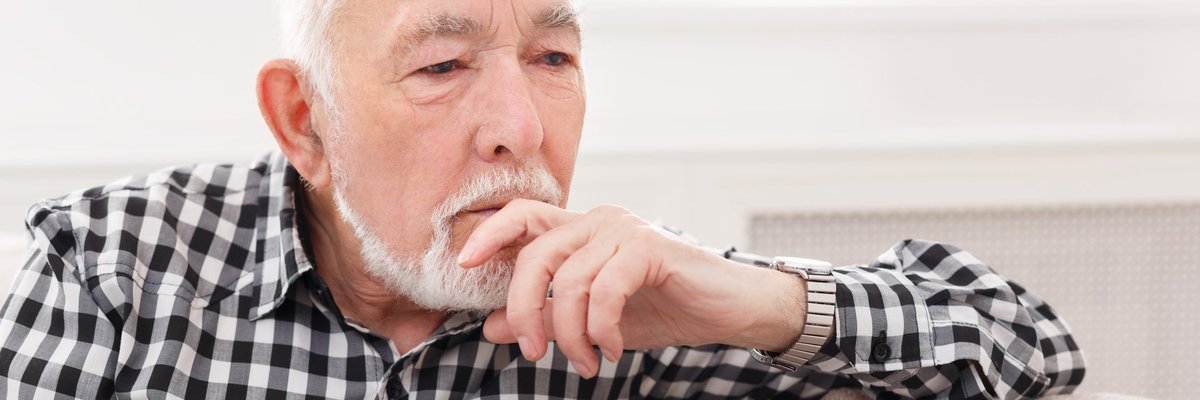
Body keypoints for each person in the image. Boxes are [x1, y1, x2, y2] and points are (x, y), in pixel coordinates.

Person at [0, 0, 1085, 398]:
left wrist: (756, 301)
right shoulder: (115, 269)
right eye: (442, 67)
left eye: (554, 57)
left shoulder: (620, 305)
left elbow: (1031, 351)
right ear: (304, 123)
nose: (520, 126)